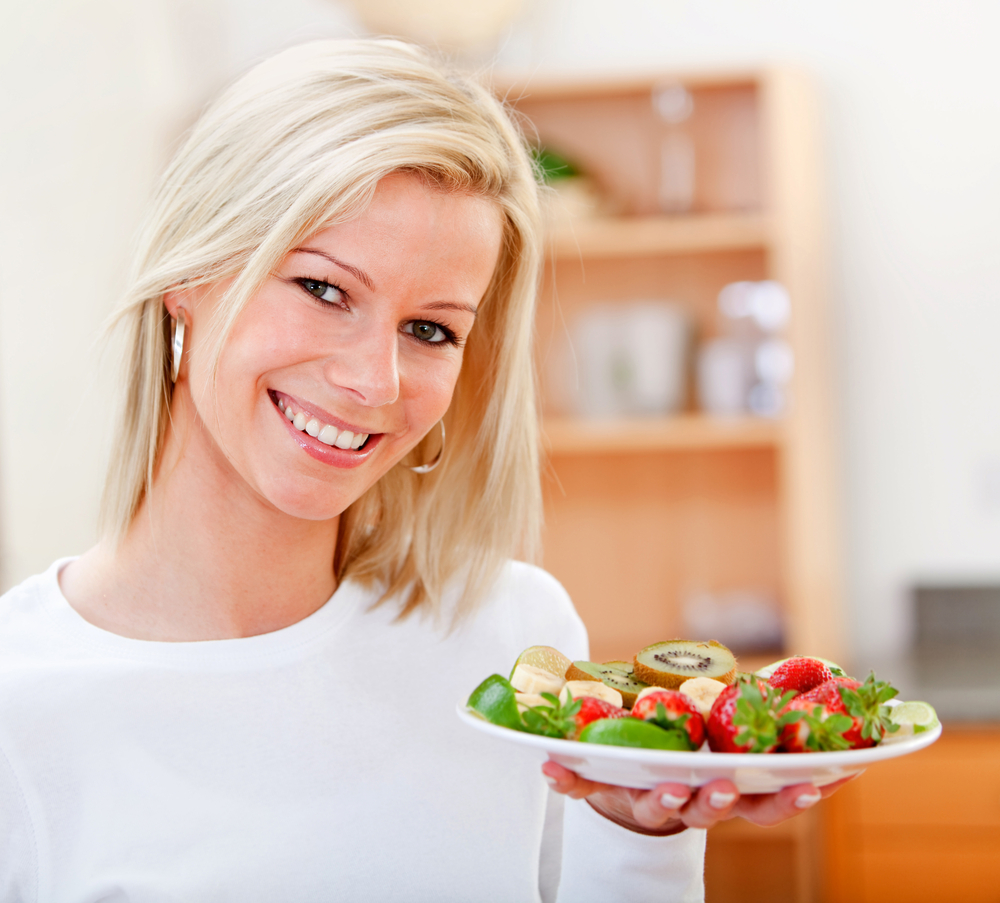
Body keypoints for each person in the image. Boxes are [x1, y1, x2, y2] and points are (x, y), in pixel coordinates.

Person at [0, 39, 842, 902]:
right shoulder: (19, 706)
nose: (376, 380)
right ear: (192, 273)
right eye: (324, 289)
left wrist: (641, 836)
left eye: (431, 329)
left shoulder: (512, 639)